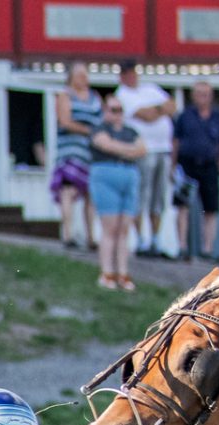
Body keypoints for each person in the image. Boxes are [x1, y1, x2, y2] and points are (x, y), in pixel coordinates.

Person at [114, 62, 176, 256]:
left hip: (163, 149)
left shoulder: (151, 89)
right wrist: (160, 109)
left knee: (159, 196)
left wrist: (156, 109)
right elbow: (146, 115)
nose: (132, 77)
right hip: (142, 151)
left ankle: (156, 239)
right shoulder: (122, 94)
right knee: (142, 194)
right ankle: (140, 239)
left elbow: (172, 106)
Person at [88, 96, 145, 291]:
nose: (117, 114)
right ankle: (107, 273)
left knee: (124, 229)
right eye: (113, 110)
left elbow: (142, 149)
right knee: (109, 228)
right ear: (105, 111)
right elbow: (105, 145)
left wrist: (119, 148)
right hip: (106, 176)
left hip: (128, 175)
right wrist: (128, 149)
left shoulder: (131, 131)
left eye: (120, 110)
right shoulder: (99, 129)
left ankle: (122, 273)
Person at [173, 81, 219, 261]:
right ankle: (182, 247)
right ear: (193, 96)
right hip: (187, 164)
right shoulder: (185, 116)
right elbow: (176, 141)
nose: (202, 97)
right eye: (199, 93)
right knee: (182, 205)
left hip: (209, 165)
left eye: (206, 94)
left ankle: (207, 249)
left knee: (210, 208)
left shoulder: (218, 117)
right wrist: (173, 165)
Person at [51, 62, 102, 252]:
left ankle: (91, 237)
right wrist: (88, 131)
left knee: (90, 194)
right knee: (68, 191)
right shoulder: (65, 95)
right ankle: (68, 234)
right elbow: (65, 121)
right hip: (70, 151)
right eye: (79, 75)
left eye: (85, 74)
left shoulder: (95, 97)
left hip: (90, 153)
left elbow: (101, 120)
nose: (83, 78)